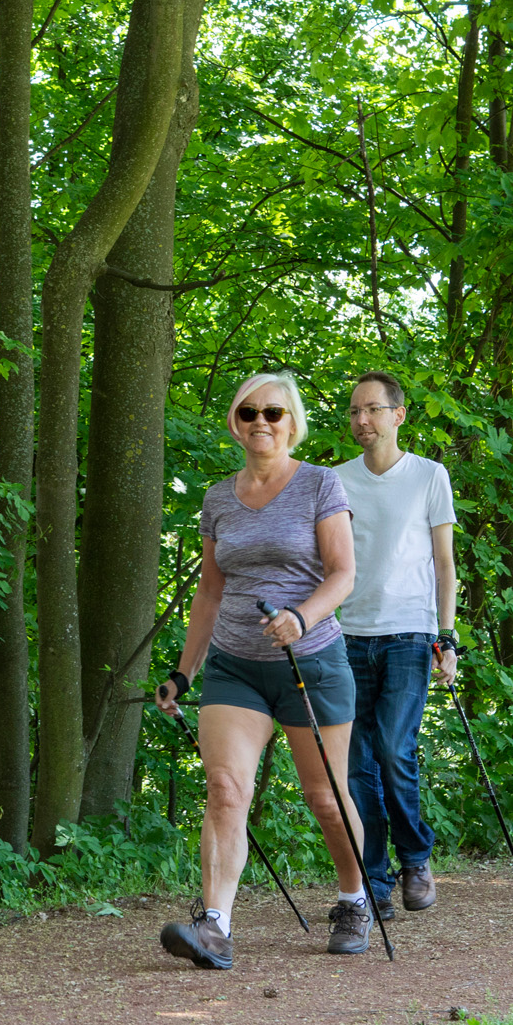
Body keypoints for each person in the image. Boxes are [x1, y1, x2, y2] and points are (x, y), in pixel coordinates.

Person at [155, 371, 376, 961]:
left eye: (273, 413)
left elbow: (343, 573)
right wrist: (185, 672)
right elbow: (209, 590)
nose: (260, 422)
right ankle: (214, 926)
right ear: (235, 420)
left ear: (292, 423)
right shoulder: (218, 498)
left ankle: (354, 900)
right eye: (249, 411)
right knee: (226, 789)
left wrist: (300, 618)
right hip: (235, 667)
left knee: (325, 796)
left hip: (311, 661)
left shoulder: (320, 485)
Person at [336, 371, 457, 919]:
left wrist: (446, 637)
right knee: (356, 764)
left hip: (410, 633)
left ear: (398, 415)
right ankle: (374, 881)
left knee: (391, 749)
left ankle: (415, 857)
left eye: (373, 410)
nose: (362, 420)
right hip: (348, 636)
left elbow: (444, 563)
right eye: (355, 411)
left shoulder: (430, 476)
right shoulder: (332, 481)